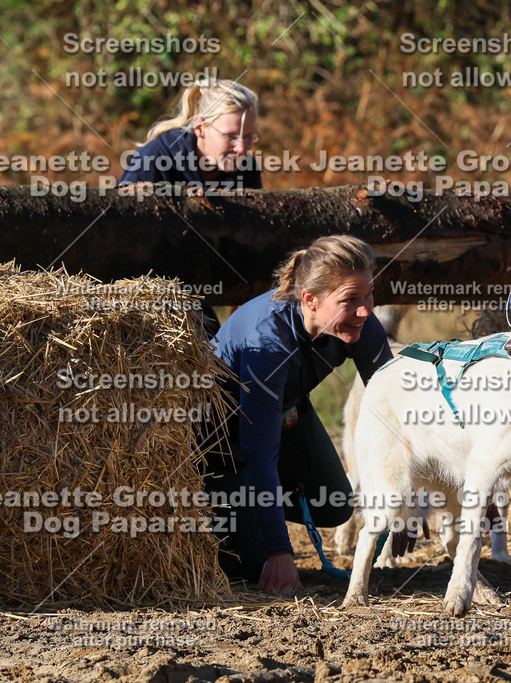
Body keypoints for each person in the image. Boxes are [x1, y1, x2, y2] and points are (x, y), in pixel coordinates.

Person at [205, 235, 393, 595]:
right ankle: (230, 519)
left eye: (369, 295)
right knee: (257, 564)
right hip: (224, 446)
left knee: (336, 505)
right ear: (309, 298)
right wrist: (278, 549)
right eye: (350, 300)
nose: (366, 310)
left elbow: (396, 412)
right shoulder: (266, 345)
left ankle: (259, 515)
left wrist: (409, 504)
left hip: (287, 416)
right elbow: (259, 452)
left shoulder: (360, 322)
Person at [119, 78, 262, 191]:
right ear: (200, 128)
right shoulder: (152, 161)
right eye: (230, 136)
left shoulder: (247, 169)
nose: (242, 148)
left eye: (248, 136)